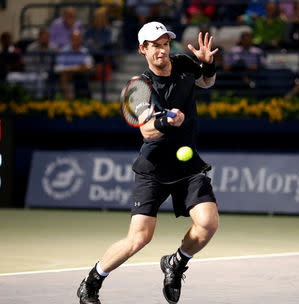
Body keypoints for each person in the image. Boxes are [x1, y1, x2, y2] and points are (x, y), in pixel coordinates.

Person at [76, 21, 219, 304]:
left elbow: (205, 82)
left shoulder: (182, 63)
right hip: (153, 169)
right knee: (139, 239)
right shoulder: (138, 87)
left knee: (208, 223)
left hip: (188, 168)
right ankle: (92, 281)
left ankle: (176, 263)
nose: (162, 51)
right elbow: (147, 129)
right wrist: (168, 119)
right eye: (155, 46)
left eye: (165, 44)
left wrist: (207, 65)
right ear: (143, 49)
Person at [54, 30, 94, 100]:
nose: (76, 41)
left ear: (81, 40)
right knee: (64, 76)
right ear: (70, 39)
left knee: (83, 75)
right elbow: (58, 68)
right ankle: (68, 101)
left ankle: (84, 100)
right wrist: (75, 68)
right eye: (74, 39)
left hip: (81, 74)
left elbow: (89, 65)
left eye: (78, 39)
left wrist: (81, 68)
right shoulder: (64, 51)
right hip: (68, 75)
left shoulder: (84, 51)